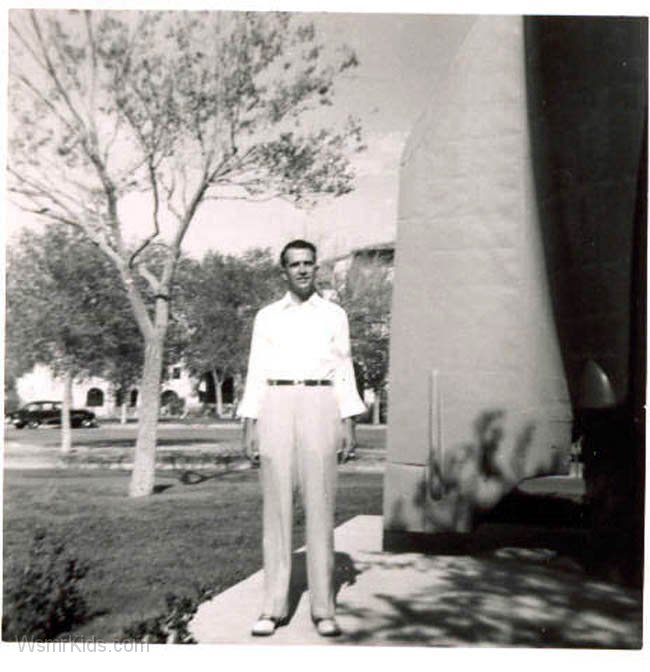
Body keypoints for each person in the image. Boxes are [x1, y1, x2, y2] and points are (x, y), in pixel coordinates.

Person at [238, 239, 366, 638]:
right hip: (275, 402)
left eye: (309, 263)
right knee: (276, 508)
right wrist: (250, 423)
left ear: (317, 267)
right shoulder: (267, 317)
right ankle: (273, 606)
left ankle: (323, 608)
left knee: (320, 505)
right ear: (284, 271)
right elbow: (256, 369)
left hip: (320, 403)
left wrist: (349, 421)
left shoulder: (334, 315)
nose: (303, 270)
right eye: (294, 264)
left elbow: (344, 368)